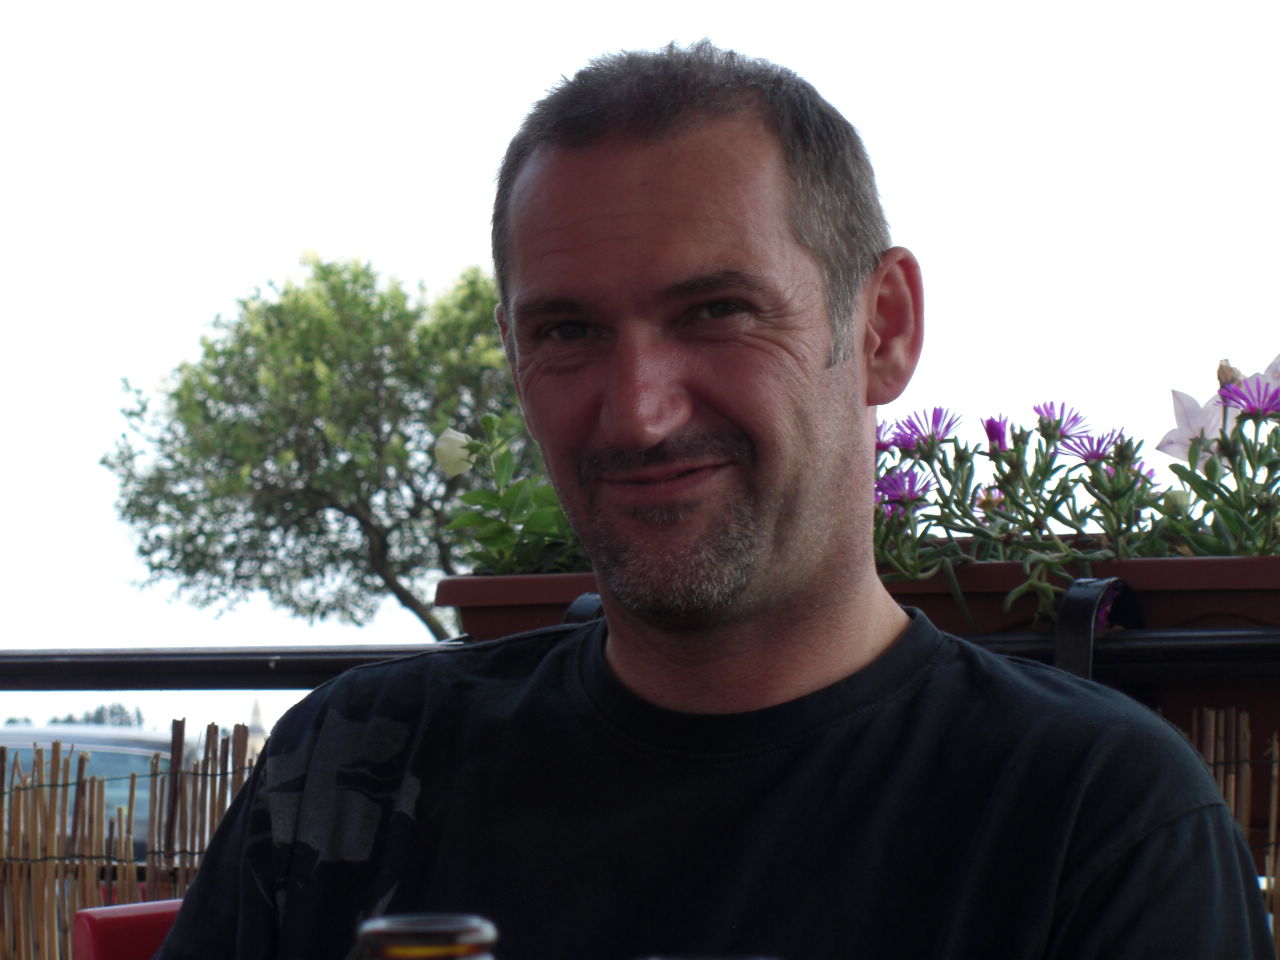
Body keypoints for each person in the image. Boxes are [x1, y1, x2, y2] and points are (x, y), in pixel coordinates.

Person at [157, 42, 1273, 960]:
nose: (638, 413)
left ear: (881, 328)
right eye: (568, 331)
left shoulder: (1094, 819)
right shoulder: (350, 771)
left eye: (717, 312)